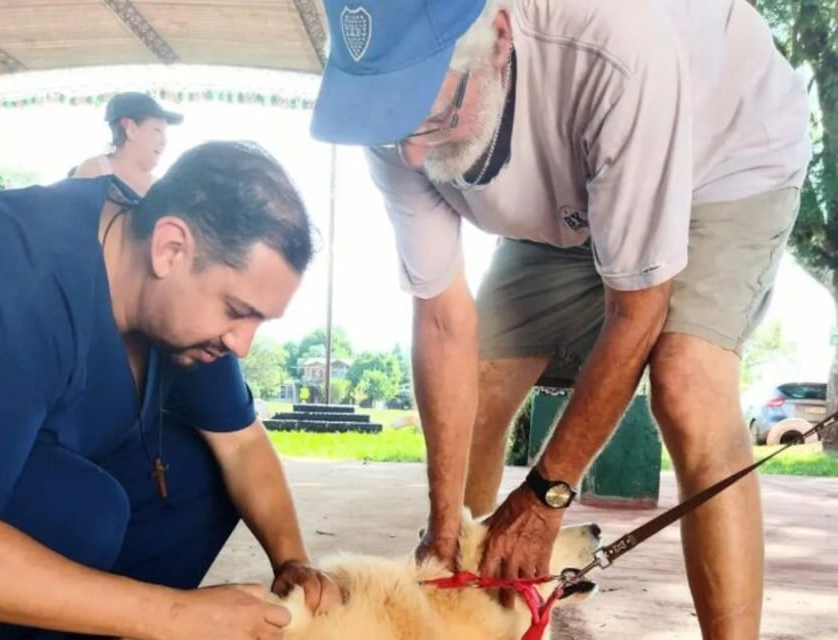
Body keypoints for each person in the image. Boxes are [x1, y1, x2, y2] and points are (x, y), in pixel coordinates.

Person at [309, 1, 810, 638]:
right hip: (570, 191)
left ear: (496, 38)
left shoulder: (612, 43)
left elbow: (636, 311)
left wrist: (549, 493)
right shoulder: (395, 119)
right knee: (479, 382)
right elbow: (441, 321)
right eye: (390, 123)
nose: (409, 153)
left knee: (688, 385)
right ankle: (475, 613)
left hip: (720, 162)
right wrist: (444, 522)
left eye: (430, 117)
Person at [0, 141, 340, 640]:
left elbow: (240, 445)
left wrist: (293, 560)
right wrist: (174, 615)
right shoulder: (17, 270)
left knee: (198, 472)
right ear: (170, 248)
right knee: (81, 509)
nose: (242, 343)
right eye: (238, 312)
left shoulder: (188, 318)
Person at [72, 91, 183, 195]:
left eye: (164, 132)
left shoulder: (157, 187)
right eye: (157, 130)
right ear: (131, 129)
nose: (164, 141)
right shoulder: (94, 171)